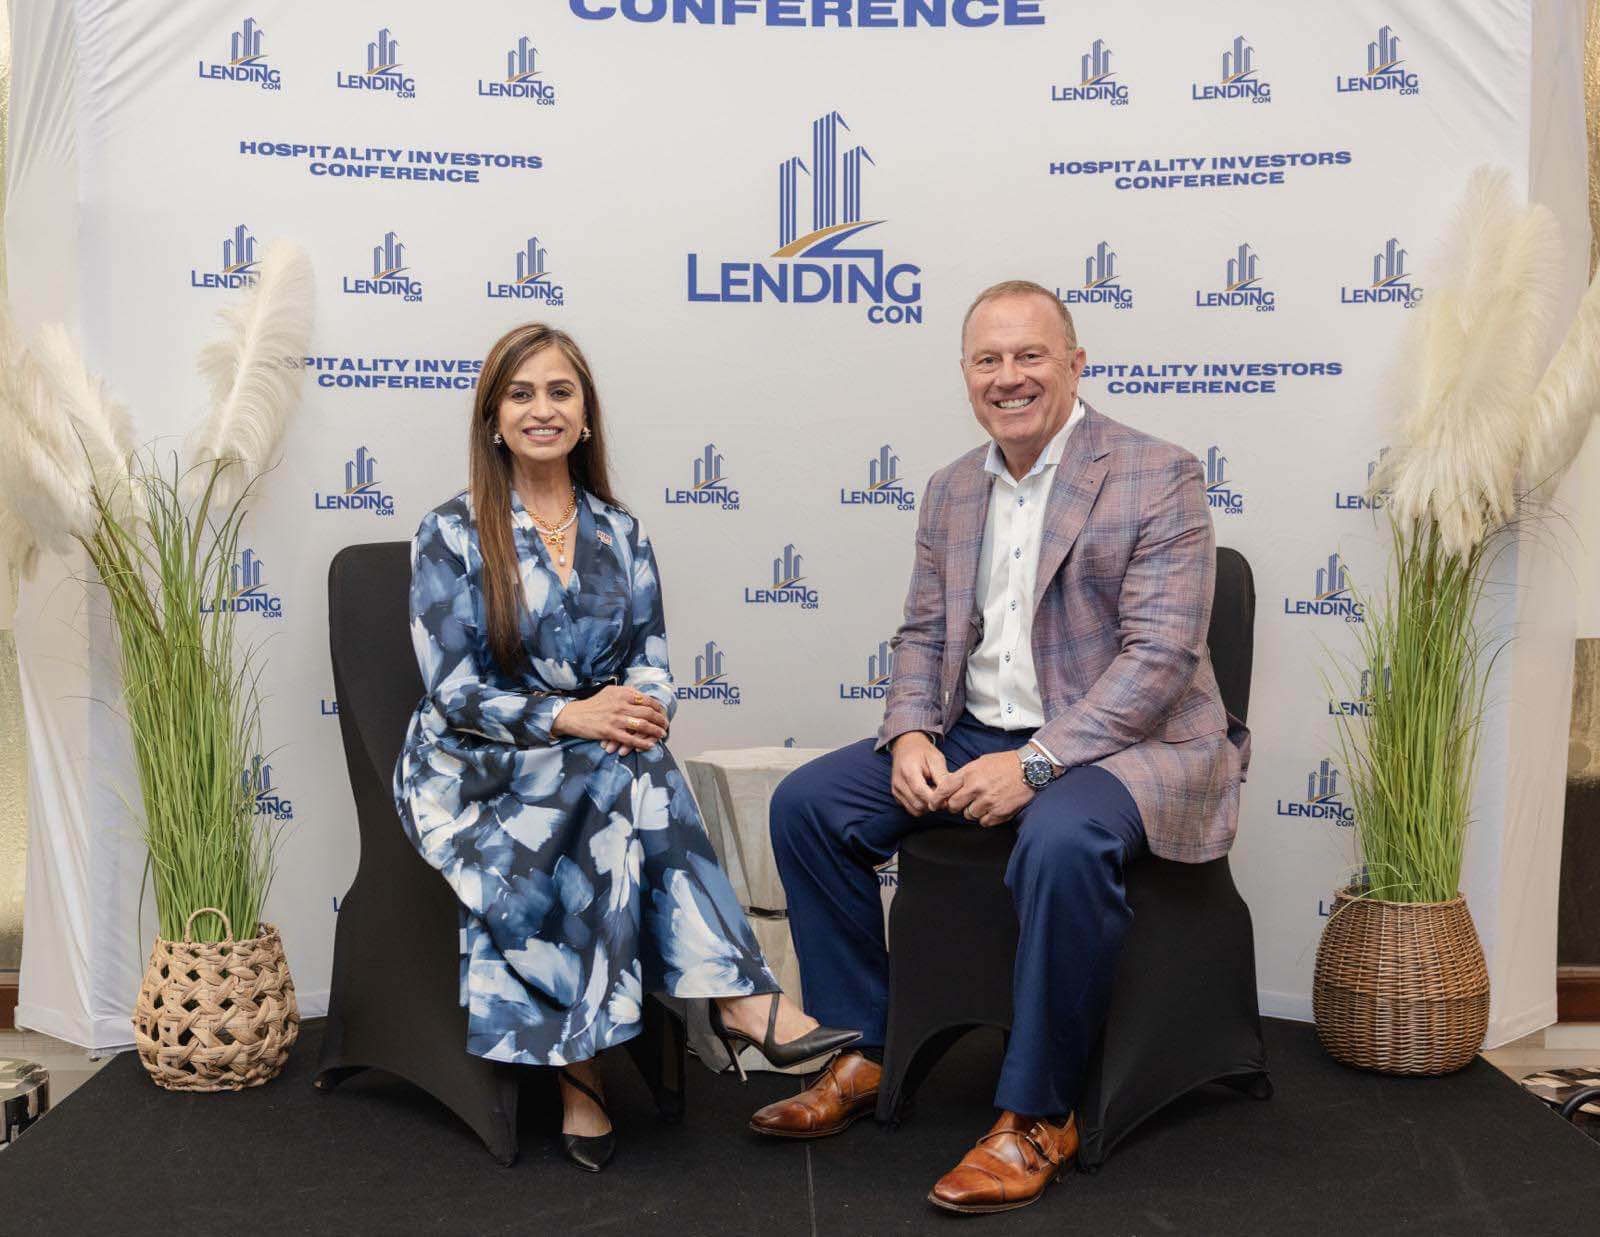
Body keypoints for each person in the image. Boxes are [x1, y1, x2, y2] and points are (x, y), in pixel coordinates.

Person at [755, 281, 1251, 1214]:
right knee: (809, 806)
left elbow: (1157, 663)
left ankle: (1036, 1113)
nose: (1008, 376)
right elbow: (921, 633)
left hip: (1128, 743)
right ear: (965, 372)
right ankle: (863, 1046)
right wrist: (911, 729)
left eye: (1030, 355)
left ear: (1076, 363)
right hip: (978, 727)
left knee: (1060, 838)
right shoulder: (951, 488)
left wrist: (1036, 764)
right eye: (988, 359)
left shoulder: (1159, 473)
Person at [393, 322, 857, 1173]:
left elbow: (653, 667)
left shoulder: (621, 532)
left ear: (586, 417)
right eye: (521, 394)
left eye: (559, 391)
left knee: (620, 765)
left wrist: (633, 713)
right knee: (616, 765)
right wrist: (571, 716)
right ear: (493, 419)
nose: (542, 409)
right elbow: (452, 693)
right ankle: (737, 995)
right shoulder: (451, 532)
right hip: (477, 760)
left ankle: (586, 1074)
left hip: (599, 755)